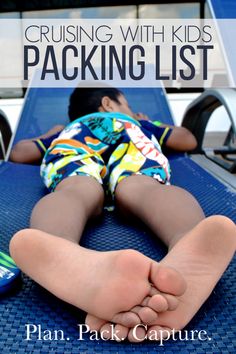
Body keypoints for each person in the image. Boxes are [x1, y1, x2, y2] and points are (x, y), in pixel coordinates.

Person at [9, 86, 236, 343]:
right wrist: (145, 122)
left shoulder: (67, 130)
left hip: (75, 145)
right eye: (126, 104)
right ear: (109, 103)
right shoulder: (135, 124)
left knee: (74, 187)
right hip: (130, 142)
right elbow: (187, 140)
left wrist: (51, 134)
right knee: (142, 186)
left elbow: (19, 153)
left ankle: (58, 246)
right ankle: (188, 239)